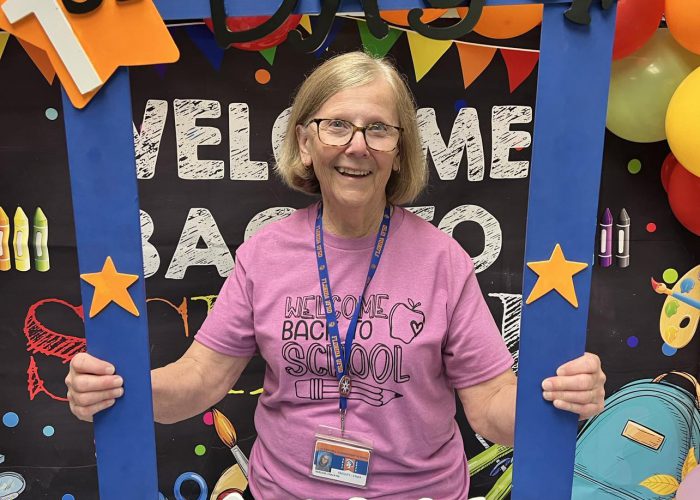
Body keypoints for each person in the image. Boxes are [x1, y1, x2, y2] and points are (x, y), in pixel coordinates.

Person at [66, 51, 606, 499]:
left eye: (378, 129)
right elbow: (200, 380)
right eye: (337, 125)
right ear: (304, 141)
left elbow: (489, 407)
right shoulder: (263, 254)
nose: (357, 146)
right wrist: (121, 390)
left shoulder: (445, 260)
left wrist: (554, 399)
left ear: (399, 152)